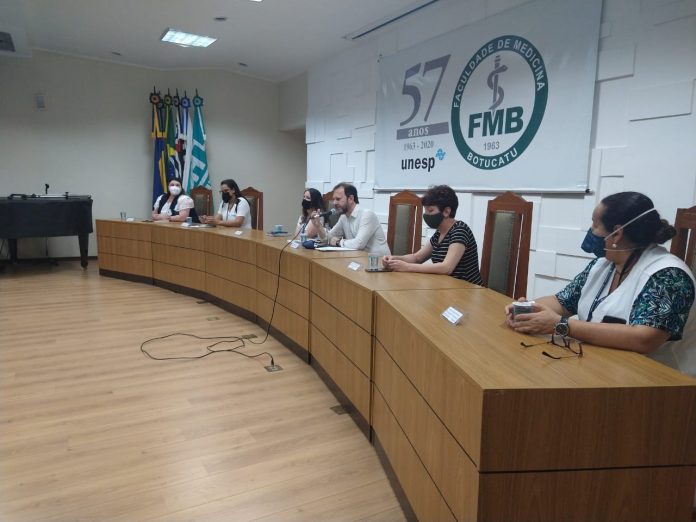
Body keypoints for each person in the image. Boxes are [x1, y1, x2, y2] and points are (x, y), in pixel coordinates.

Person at [506, 191, 696, 376]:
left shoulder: (669, 275)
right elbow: (562, 302)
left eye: (595, 225)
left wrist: (562, 325)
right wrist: (526, 309)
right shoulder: (603, 265)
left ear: (617, 234)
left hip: (659, 383)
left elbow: (644, 339)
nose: (591, 231)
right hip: (603, 369)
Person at [382, 185, 483, 284]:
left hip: (467, 289)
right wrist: (394, 259)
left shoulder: (460, 230)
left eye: (430, 210)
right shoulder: (439, 233)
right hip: (446, 287)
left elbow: (446, 268)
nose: (426, 215)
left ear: (446, 211)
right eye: (425, 210)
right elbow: (417, 258)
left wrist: (407, 267)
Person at [314, 182, 390, 255]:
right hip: (357, 258)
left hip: (379, 261)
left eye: (338, 199)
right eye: (334, 199)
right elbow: (328, 239)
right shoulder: (343, 217)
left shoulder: (367, 215)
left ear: (350, 199)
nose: (334, 203)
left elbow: (359, 244)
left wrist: (338, 242)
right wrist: (318, 226)